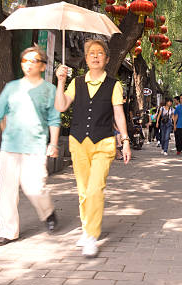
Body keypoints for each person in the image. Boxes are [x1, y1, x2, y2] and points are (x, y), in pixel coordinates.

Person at [0, 46, 60, 247]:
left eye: (33, 60)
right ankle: (8, 231)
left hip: (35, 147)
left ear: (43, 66)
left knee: (34, 187)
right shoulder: (12, 87)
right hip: (10, 146)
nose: (28, 64)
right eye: (24, 61)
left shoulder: (49, 90)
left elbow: (54, 118)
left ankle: (48, 212)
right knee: (7, 191)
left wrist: (53, 143)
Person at [54, 39, 131, 258]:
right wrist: (60, 81)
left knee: (95, 188)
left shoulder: (114, 85)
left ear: (106, 59)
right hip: (78, 142)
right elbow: (61, 106)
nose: (95, 56)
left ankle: (91, 235)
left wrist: (124, 140)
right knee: (83, 191)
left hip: (104, 142)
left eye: (99, 53)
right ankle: (87, 228)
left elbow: (118, 114)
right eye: (91, 53)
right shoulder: (76, 82)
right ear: (86, 59)